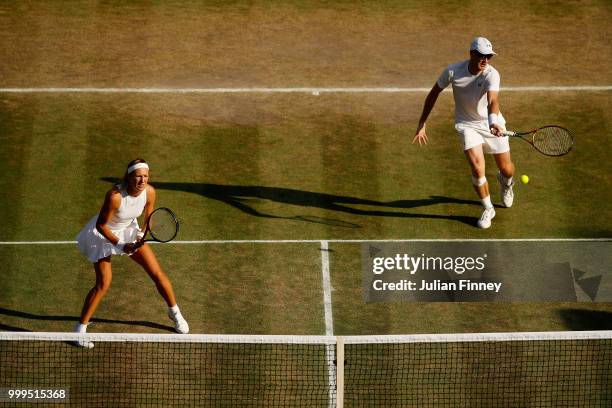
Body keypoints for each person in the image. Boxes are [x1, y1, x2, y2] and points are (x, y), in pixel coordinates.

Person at [74, 158, 188, 348]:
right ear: (129, 177)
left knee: (157, 273)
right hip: (105, 235)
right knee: (103, 283)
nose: (142, 180)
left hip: (129, 231)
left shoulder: (150, 192)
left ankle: (175, 313)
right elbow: (100, 226)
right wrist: (121, 244)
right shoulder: (115, 196)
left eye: (145, 176)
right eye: (138, 177)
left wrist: (141, 235)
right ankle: (79, 330)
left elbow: (148, 217)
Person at [413, 37, 515, 229]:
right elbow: (433, 93)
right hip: (467, 125)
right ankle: (488, 208)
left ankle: (506, 183)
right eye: (482, 56)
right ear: (471, 54)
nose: (485, 60)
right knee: (477, 169)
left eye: (489, 56)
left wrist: (493, 122)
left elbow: (493, 101)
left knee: (507, 169)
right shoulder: (452, 71)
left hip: (491, 123)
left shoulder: (492, 74)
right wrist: (422, 122)